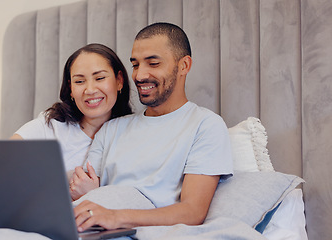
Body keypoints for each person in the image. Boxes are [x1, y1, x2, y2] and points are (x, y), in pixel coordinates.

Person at [70, 23, 233, 231]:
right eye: (135, 65)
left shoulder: (205, 125)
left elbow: (193, 212)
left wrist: (116, 217)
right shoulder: (111, 129)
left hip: (136, 231)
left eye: (153, 63)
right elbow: (87, 194)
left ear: (184, 65)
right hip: (93, 229)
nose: (139, 75)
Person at [10, 43, 132, 179]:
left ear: (119, 81)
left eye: (100, 78)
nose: (90, 90)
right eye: (79, 81)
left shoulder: (133, 133)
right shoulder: (50, 126)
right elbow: (4, 161)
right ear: (71, 89)